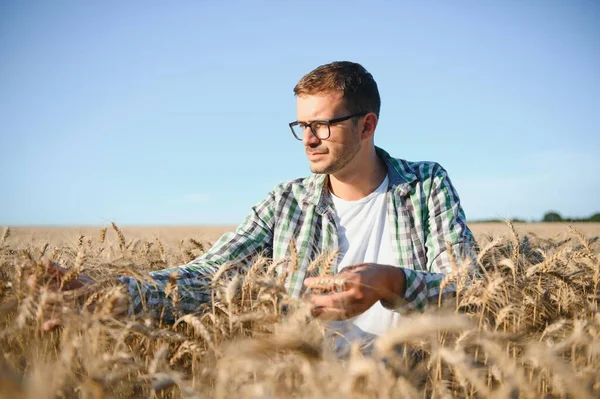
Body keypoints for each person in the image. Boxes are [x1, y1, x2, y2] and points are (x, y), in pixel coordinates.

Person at [41, 61, 477, 338]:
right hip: (305, 385)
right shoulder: (286, 202)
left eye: (322, 125)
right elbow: (208, 274)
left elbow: (471, 292)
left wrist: (392, 283)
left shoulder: (425, 186)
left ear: (366, 125)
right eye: (301, 125)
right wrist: (109, 293)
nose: (307, 139)